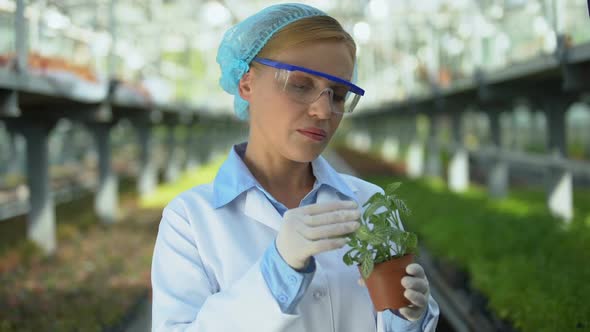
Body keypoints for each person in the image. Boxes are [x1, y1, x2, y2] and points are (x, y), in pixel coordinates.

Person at [151, 3, 439, 331]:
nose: (322, 110)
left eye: (338, 95)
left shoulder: (370, 204)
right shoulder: (190, 219)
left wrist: (406, 319)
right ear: (247, 84)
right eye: (301, 85)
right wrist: (278, 272)